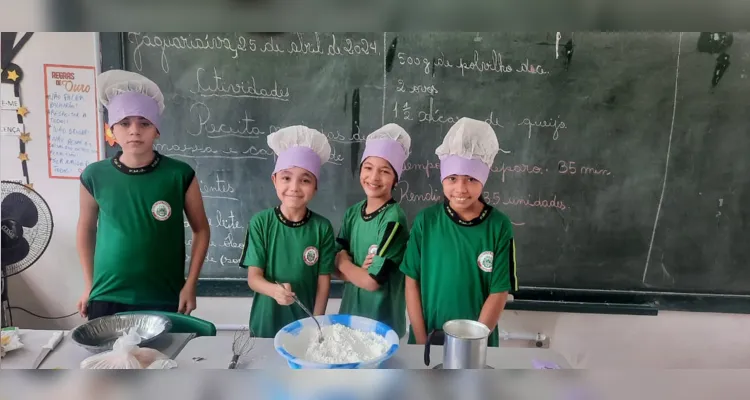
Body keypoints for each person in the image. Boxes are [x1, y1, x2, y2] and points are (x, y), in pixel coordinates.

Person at [76, 69, 210, 320]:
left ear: (156, 130)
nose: (134, 130)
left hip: (164, 294)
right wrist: (88, 285)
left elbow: (201, 229)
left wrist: (190, 285)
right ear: (111, 130)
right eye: (125, 123)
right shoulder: (94, 176)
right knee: (107, 358)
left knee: (163, 358)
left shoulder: (179, 175)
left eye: (144, 123)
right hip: (107, 294)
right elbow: (86, 230)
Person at [399, 117, 518, 347]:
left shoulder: (499, 226)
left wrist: (472, 345)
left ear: (483, 179)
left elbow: (499, 291)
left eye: (471, 179)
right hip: (428, 339)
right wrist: (422, 341)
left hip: (478, 344)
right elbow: (411, 281)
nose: (460, 189)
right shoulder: (427, 222)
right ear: (443, 177)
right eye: (452, 178)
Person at [240, 125, 335, 338]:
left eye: (305, 180)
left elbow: (323, 282)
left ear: (315, 186)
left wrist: (317, 324)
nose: (294, 187)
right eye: (286, 177)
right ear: (274, 180)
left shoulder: (322, 228)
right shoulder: (261, 223)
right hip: (266, 323)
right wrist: (275, 291)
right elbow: (254, 278)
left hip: (304, 326)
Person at [334, 123, 411, 338]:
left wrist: (344, 262)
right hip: (349, 320)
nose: (374, 177)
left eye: (385, 171)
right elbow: (331, 268)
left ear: (395, 178)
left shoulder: (393, 220)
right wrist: (350, 268)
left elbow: (371, 282)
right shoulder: (352, 213)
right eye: (368, 167)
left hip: (380, 325)